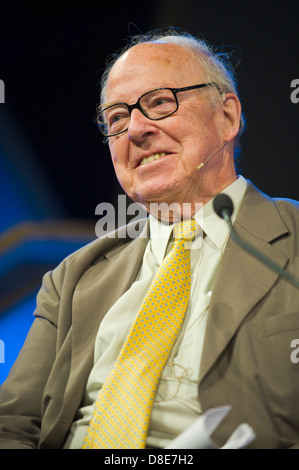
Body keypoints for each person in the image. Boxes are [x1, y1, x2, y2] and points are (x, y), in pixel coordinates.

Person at [0, 28, 299, 450]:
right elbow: (11, 425)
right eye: (117, 119)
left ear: (227, 117)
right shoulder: (73, 278)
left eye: (159, 103)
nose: (135, 130)